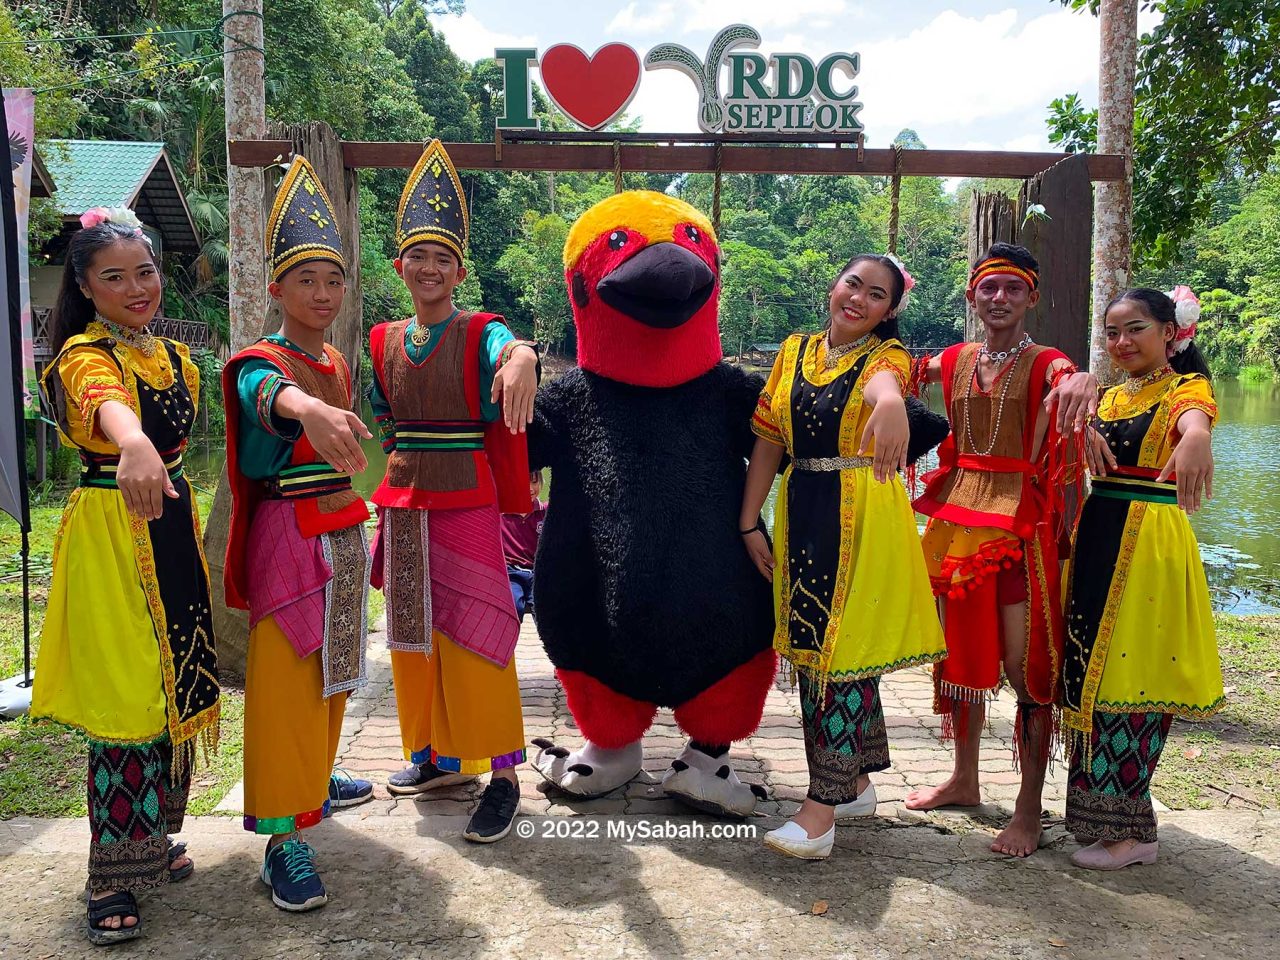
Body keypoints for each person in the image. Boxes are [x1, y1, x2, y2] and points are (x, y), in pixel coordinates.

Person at [33, 207, 220, 944]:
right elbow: (101, 401)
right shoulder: (83, 354)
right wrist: (133, 440)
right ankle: (109, 875)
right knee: (127, 696)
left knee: (179, 681)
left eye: (144, 272)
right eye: (114, 277)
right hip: (112, 537)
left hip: (170, 530)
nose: (135, 288)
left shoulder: (177, 360)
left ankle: (151, 842)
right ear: (85, 285)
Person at [741, 254, 948, 860]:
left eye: (877, 295)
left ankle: (820, 811)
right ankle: (854, 783)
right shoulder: (793, 350)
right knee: (816, 649)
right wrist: (748, 519)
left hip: (860, 516)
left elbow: (888, 383)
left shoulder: (886, 359)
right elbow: (768, 439)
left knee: (839, 653)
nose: (858, 299)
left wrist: (888, 403)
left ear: (889, 311)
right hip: (804, 504)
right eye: (853, 284)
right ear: (834, 285)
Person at [369, 139, 539, 843]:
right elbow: (384, 417)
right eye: (419, 256)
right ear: (400, 264)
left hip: (466, 499)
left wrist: (524, 356)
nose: (430, 268)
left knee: (479, 636)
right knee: (412, 637)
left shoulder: (477, 330)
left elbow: (509, 346)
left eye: (444, 258)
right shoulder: (381, 339)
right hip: (404, 502)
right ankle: (438, 759)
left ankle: (501, 775)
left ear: (459, 271)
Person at [906, 243, 1098, 858]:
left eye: (1012, 290)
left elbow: (1075, 378)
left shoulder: (1046, 362)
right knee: (959, 653)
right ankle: (964, 779)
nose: (999, 299)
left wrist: (1088, 380)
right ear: (971, 295)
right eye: (989, 288)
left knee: (1025, 668)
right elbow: (898, 370)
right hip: (956, 520)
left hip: (1019, 527)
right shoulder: (956, 358)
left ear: (1030, 298)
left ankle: (1028, 806)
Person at [221, 155, 377, 911]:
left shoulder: (339, 360)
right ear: (275, 289)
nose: (322, 294)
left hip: (343, 531)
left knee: (335, 674)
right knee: (286, 683)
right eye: (306, 280)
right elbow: (265, 397)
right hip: (288, 535)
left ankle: (313, 776)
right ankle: (282, 841)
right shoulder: (262, 361)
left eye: (333, 280)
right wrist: (306, 408)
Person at [1062, 286, 1222, 870]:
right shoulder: (1107, 396)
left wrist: (1198, 438)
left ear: (1169, 333)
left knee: (1133, 673)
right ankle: (1102, 819)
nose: (1122, 342)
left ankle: (1134, 831)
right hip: (1100, 530)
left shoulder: (1186, 388)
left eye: (1136, 329)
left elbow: (1196, 419)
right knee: (1094, 671)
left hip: (1148, 541)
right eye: (1112, 331)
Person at [502, 470, 546, 620]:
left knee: (543, 608)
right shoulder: (501, 513)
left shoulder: (545, 512)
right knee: (513, 605)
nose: (530, 488)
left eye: (534, 482)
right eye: (524, 483)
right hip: (511, 573)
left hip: (537, 573)